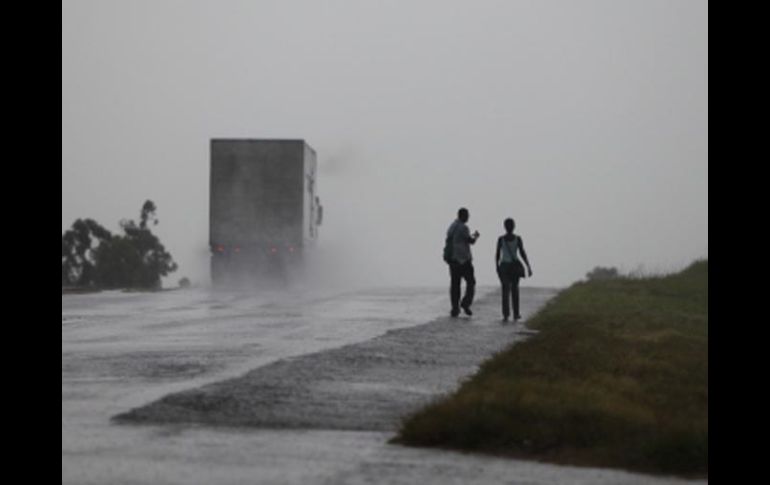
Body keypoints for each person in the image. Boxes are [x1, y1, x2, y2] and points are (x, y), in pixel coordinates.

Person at [495, 218, 533, 322]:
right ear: (513, 226)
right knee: (515, 290)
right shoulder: (518, 239)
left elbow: (497, 254)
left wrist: (497, 267)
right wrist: (528, 266)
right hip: (515, 266)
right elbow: (522, 253)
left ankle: (506, 314)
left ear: (505, 227)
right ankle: (516, 314)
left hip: (504, 266)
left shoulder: (501, 239)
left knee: (505, 290)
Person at [446, 208, 480, 317]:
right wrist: (476, 236)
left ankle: (455, 308)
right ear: (463, 215)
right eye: (467, 215)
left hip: (453, 259)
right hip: (464, 260)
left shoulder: (451, 226)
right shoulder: (463, 227)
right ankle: (465, 303)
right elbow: (471, 241)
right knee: (471, 283)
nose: (468, 217)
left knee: (455, 285)